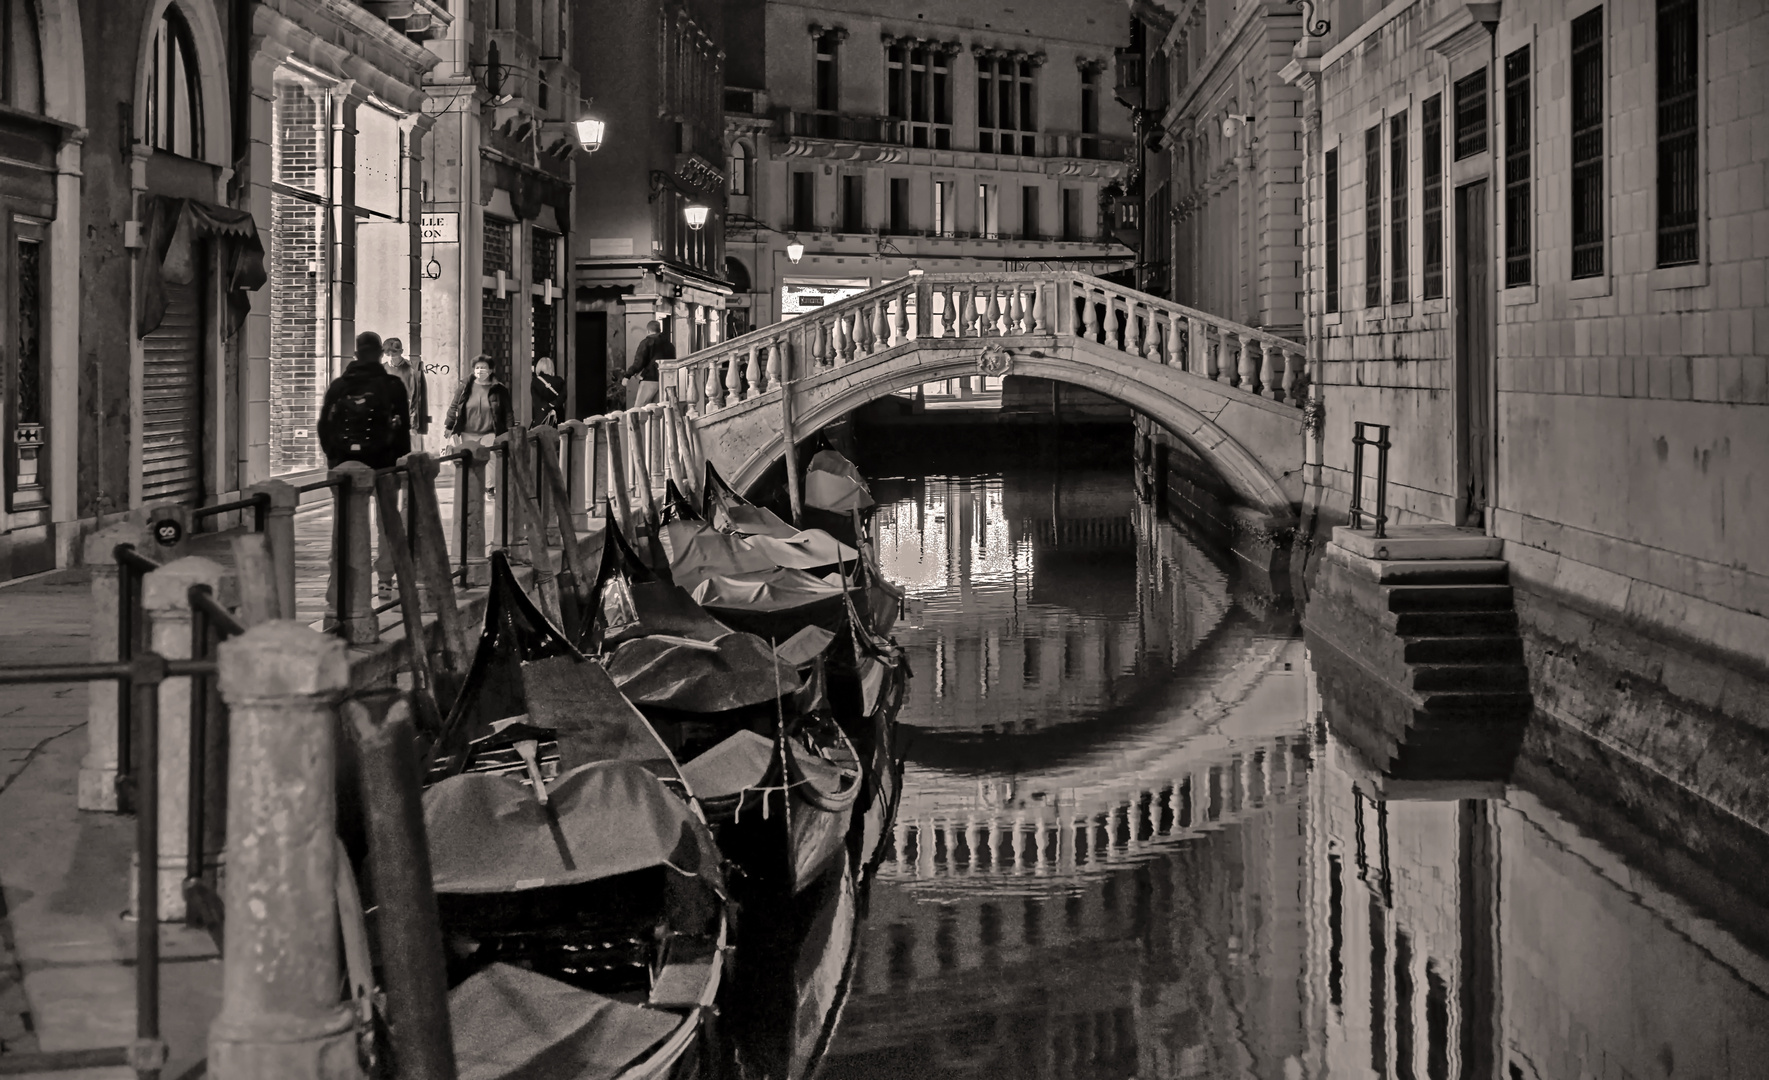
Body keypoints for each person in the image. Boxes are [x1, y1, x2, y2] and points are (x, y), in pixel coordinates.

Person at [317, 331, 411, 606]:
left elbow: (324, 426)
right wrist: (398, 462)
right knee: (387, 524)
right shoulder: (392, 386)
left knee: (344, 527)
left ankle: (339, 587)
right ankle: (384, 581)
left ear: (356, 354)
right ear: (379, 355)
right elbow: (403, 427)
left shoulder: (339, 385)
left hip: (344, 466)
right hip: (383, 464)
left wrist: (335, 460)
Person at [444, 356, 512, 496]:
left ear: (491, 370)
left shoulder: (499, 389)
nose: (480, 371)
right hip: (467, 431)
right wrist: (449, 425)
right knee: (468, 459)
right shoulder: (464, 387)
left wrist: (509, 431)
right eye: (477, 368)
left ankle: (489, 488)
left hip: (490, 431)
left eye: (483, 368)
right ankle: (469, 488)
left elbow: (508, 412)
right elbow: (454, 406)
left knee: (490, 458)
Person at [383, 337, 430, 452]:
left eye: (394, 352)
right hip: (388, 417)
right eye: (387, 352)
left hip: (409, 416)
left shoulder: (412, 370)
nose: (391, 355)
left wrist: (416, 421)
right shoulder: (382, 369)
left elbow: (419, 397)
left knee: (413, 452)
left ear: (401, 352)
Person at [625, 320, 673, 408]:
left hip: (649, 379)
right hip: (667, 380)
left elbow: (639, 362)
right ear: (659, 330)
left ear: (648, 331)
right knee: (658, 409)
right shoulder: (669, 344)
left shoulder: (646, 343)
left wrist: (628, 375)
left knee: (639, 409)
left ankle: (637, 422)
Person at [531, 356, 566, 427]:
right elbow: (563, 396)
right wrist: (553, 404)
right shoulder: (559, 381)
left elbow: (536, 401)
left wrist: (545, 407)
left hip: (541, 416)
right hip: (558, 416)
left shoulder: (535, 382)